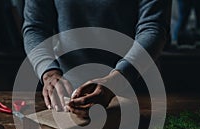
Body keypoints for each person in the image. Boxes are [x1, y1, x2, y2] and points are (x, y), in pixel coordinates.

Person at [22, 0, 172, 117]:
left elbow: (153, 28)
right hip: (69, 95)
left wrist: (117, 79)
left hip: (138, 94)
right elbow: (36, 27)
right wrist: (48, 72)